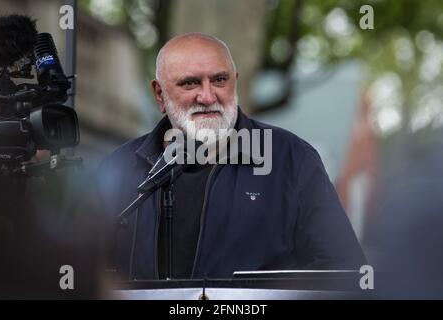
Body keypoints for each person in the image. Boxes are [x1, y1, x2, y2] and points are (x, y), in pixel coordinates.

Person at [97, 33, 366, 280]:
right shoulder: (119, 168)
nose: (206, 95)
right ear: (159, 94)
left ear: (235, 82)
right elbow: (84, 271)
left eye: (219, 80)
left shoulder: (293, 160)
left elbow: (343, 271)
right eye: (190, 83)